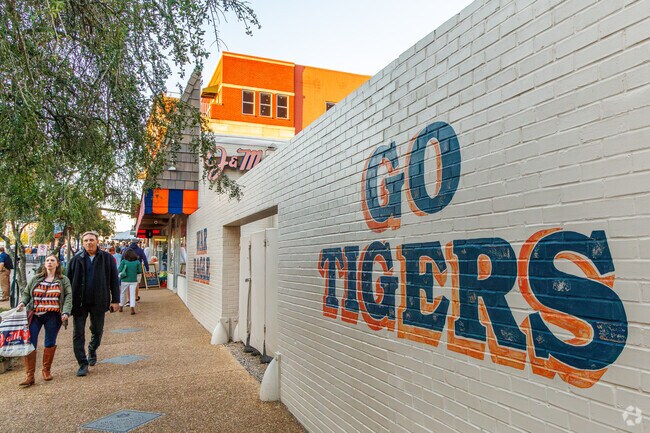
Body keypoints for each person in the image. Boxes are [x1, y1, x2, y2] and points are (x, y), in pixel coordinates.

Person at [67, 231, 119, 377]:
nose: (88, 243)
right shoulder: (76, 259)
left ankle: (92, 349)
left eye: (91, 240)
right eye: (86, 240)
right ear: (83, 243)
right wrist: (65, 304)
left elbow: (114, 280)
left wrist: (115, 300)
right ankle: (82, 363)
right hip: (79, 303)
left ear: (97, 241)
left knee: (97, 330)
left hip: (98, 301)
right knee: (78, 334)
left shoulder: (107, 258)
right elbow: (67, 282)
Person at [16, 254, 72, 386]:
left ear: (57, 264)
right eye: (47, 260)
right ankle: (30, 375)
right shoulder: (36, 278)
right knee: (30, 343)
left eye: (52, 261)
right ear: (44, 264)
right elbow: (26, 293)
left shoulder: (63, 280)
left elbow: (68, 296)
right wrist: (23, 303)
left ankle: (46, 370)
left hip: (53, 315)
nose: (49, 263)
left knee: (50, 341)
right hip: (35, 314)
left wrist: (66, 312)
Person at [118, 249, 142, 315]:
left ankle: (121, 306)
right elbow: (140, 271)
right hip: (133, 280)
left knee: (122, 293)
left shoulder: (124, 261)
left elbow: (119, 269)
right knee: (132, 294)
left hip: (125, 280)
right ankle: (132, 308)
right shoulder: (137, 262)